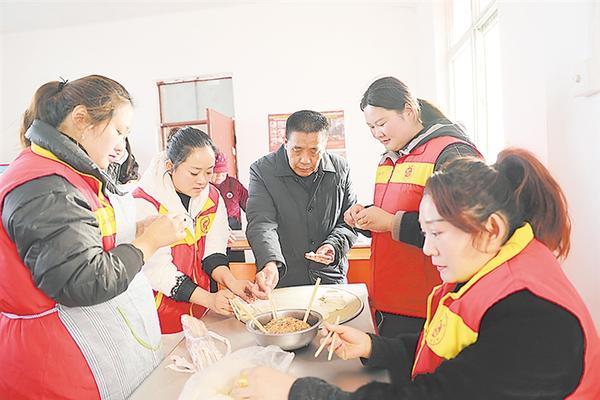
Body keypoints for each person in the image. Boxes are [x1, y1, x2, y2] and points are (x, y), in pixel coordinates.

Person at [234, 148, 600, 400]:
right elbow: (451, 353)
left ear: (490, 229)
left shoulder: (535, 319)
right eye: (426, 233)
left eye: (437, 233)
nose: (428, 249)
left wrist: (296, 392)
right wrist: (375, 347)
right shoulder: (487, 269)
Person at [0, 75, 187, 399]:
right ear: (81, 119)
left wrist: (136, 231)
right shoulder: (45, 185)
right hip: (58, 364)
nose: (121, 147)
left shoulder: (68, 174)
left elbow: (79, 240)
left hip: (85, 353)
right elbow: (81, 279)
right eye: (119, 131)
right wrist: (147, 244)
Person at [344, 76, 480, 337]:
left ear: (408, 111)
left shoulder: (451, 153)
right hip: (391, 302)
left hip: (429, 307)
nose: (377, 133)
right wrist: (366, 218)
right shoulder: (390, 158)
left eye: (381, 123)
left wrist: (390, 222)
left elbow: (465, 229)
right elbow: (399, 213)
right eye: (371, 127)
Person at [133, 126, 256, 334]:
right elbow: (157, 271)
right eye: (194, 172)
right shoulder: (146, 202)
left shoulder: (212, 198)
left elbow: (213, 252)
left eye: (209, 172)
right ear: (170, 166)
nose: (202, 180)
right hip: (159, 317)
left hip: (200, 312)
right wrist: (209, 299)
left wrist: (232, 282)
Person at [246, 110, 358, 296]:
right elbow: (262, 223)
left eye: (314, 151)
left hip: (329, 279)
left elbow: (349, 222)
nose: (305, 160)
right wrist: (270, 262)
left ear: (324, 145)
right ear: (285, 142)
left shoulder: (340, 169)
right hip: (284, 279)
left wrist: (333, 246)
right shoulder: (262, 171)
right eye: (297, 150)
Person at [211, 151, 249, 262]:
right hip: (211, 229)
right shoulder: (202, 187)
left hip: (233, 229)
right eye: (215, 173)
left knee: (236, 263)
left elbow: (250, 206)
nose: (219, 176)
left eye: (222, 173)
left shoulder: (234, 184)